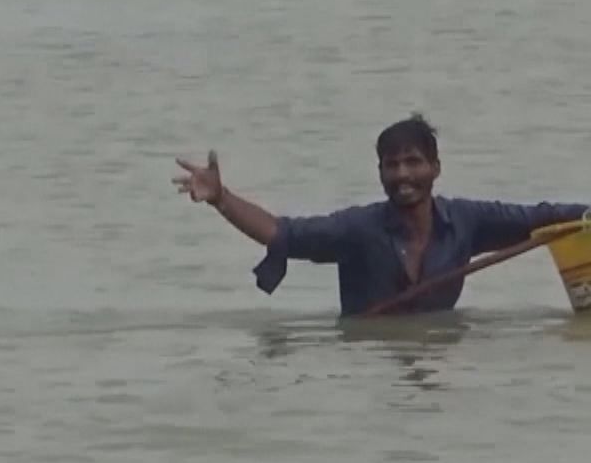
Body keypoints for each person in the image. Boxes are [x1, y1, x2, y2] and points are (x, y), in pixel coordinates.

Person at [175, 115, 589, 316]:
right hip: (368, 365)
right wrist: (221, 198)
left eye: (413, 162)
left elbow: (542, 218)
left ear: (436, 168)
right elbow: (281, 233)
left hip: (439, 366)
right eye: (392, 165)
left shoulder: (467, 221)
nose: (403, 174)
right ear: (380, 174)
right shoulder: (357, 230)